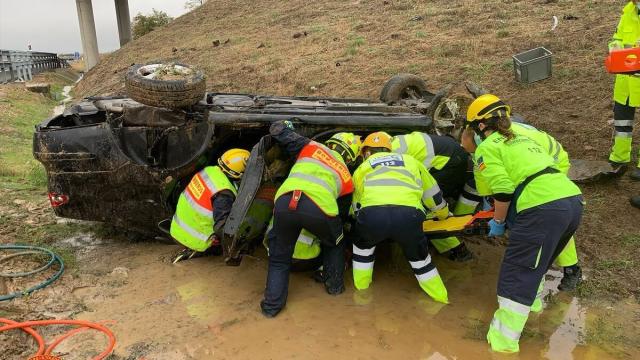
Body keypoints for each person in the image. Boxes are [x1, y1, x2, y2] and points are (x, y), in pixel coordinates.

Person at [465, 95, 583, 353]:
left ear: (481, 126)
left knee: (517, 274)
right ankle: (534, 309)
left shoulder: (487, 146)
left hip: (541, 205)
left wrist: (497, 220)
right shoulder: (522, 137)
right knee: (535, 265)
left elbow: (504, 190)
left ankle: (503, 345)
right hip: (572, 200)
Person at [260, 120, 360, 317]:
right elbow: (340, 216)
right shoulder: (347, 176)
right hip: (320, 208)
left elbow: (278, 130)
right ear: (351, 157)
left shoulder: (311, 146)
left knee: (279, 259)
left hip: (285, 201)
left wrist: (285, 124)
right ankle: (334, 288)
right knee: (335, 243)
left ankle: (271, 309)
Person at [351, 131, 449, 304]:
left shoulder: (362, 168)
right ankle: (441, 298)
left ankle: (361, 295)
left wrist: (360, 222)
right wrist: (443, 214)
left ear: (366, 152)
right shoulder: (411, 161)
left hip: (373, 215)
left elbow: (356, 205)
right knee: (421, 260)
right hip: (409, 216)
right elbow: (432, 194)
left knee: (362, 252)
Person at [392, 132, 480, 262]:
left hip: (450, 161)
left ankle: (457, 250)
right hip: (447, 152)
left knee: (426, 206)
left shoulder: (389, 159)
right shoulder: (385, 144)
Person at [170, 148, 250, 262]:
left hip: (177, 227)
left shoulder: (210, 171)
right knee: (223, 245)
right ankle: (199, 250)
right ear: (239, 173)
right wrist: (239, 245)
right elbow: (222, 228)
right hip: (195, 237)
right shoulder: (223, 193)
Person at [608, 0, 640, 179]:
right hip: (625, 82)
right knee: (622, 122)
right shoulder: (628, 12)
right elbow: (617, 38)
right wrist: (615, 50)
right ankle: (619, 158)